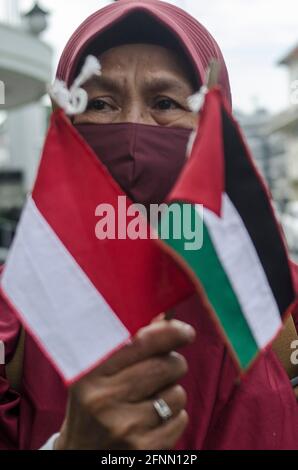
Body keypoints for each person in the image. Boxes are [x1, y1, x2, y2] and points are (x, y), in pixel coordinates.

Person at [1, 0, 298, 450]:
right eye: (99, 103)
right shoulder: (16, 305)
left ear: (216, 122)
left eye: (164, 102)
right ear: (64, 120)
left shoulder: (280, 300)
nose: (133, 130)